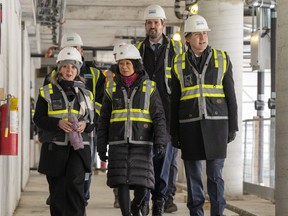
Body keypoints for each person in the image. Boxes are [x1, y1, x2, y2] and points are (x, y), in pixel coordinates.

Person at [170, 14, 238, 216]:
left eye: (205, 33)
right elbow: (175, 101)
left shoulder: (222, 58)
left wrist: (232, 126)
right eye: (197, 34)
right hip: (189, 127)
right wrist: (175, 132)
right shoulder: (178, 63)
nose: (202, 37)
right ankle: (196, 213)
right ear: (187, 39)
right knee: (193, 178)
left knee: (215, 176)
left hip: (217, 127)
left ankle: (217, 213)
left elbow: (231, 96)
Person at [97, 44, 168, 216]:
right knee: (121, 181)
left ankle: (137, 205)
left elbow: (159, 116)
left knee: (143, 184)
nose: (124, 67)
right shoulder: (111, 88)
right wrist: (101, 145)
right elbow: (104, 119)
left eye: (128, 63)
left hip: (142, 143)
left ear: (136, 64)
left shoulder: (149, 87)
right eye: (121, 63)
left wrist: (160, 141)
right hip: (118, 142)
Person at [42, 32, 105, 206]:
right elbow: (43, 110)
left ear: (81, 50)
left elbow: (101, 103)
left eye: (75, 48)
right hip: (57, 136)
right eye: (67, 49)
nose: (69, 69)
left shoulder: (95, 74)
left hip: (84, 132)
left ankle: (82, 198)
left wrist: (91, 123)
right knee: (58, 175)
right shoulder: (51, 78)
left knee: (84, 170)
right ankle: (59, 196)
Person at [33, 47, 95, 216]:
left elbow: (92, 122)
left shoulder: (86, 94)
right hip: (55, 148)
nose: (69, 70)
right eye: (66, 66)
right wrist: (57, 123)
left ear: (78, 70)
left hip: (78, 149)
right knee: (58, 192)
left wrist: (85, 126)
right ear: (59, 68)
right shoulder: (46, 92)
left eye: (73, 67)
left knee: (76, 189)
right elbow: (38, 119)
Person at [137, 4, 183, 215]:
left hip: (168, 112)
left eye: (156, 22)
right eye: (149, 23)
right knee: (146, 157)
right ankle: (144, 198)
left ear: (164, 25)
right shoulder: (137, 51)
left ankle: (162, 198)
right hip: (143, 113)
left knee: (166, 159)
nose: (152, 26)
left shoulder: (177, 50)